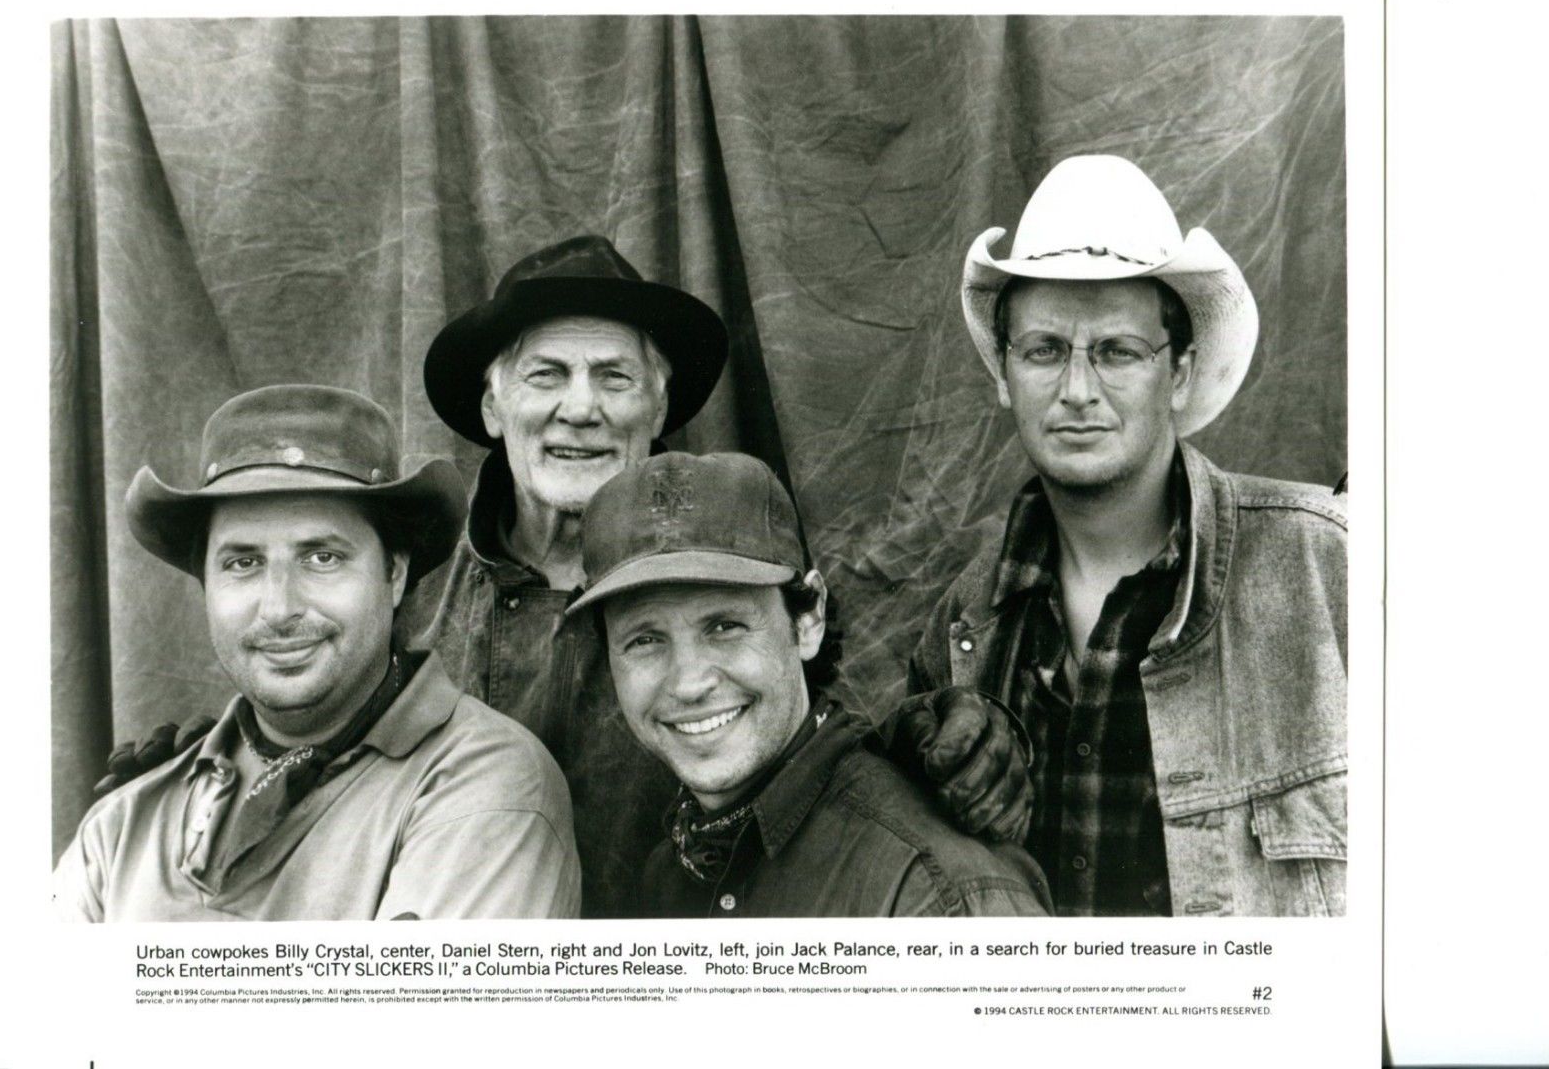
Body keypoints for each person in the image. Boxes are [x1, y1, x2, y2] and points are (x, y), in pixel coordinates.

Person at [405, 234, 1031, 915]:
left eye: (614, 376)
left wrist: (936, 740)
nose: (581, 408)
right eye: (546, 375)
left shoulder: (738, 560)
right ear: (494, 407)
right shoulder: (418, 600)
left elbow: (821, 755)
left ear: (661, 405)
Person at [909, 155, 1347, 917]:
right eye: (1045, 349)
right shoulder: (961, 629)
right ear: (1004, 374)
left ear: (1177, 373)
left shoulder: (1327, 566)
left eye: (1116, 351)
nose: (1078, 390)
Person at [54, 385, 580, 921]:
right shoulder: (120, 829)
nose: (279, 608)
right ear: (205, 585)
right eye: (242, 563)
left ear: (393, 573)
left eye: (322, 557)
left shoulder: (486, 783)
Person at [565, 451, 1052, 917]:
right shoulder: (671, 872)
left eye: (724, 626)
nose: (689, 683)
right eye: (645, 640)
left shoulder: (932, 888)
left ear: (809, 618)